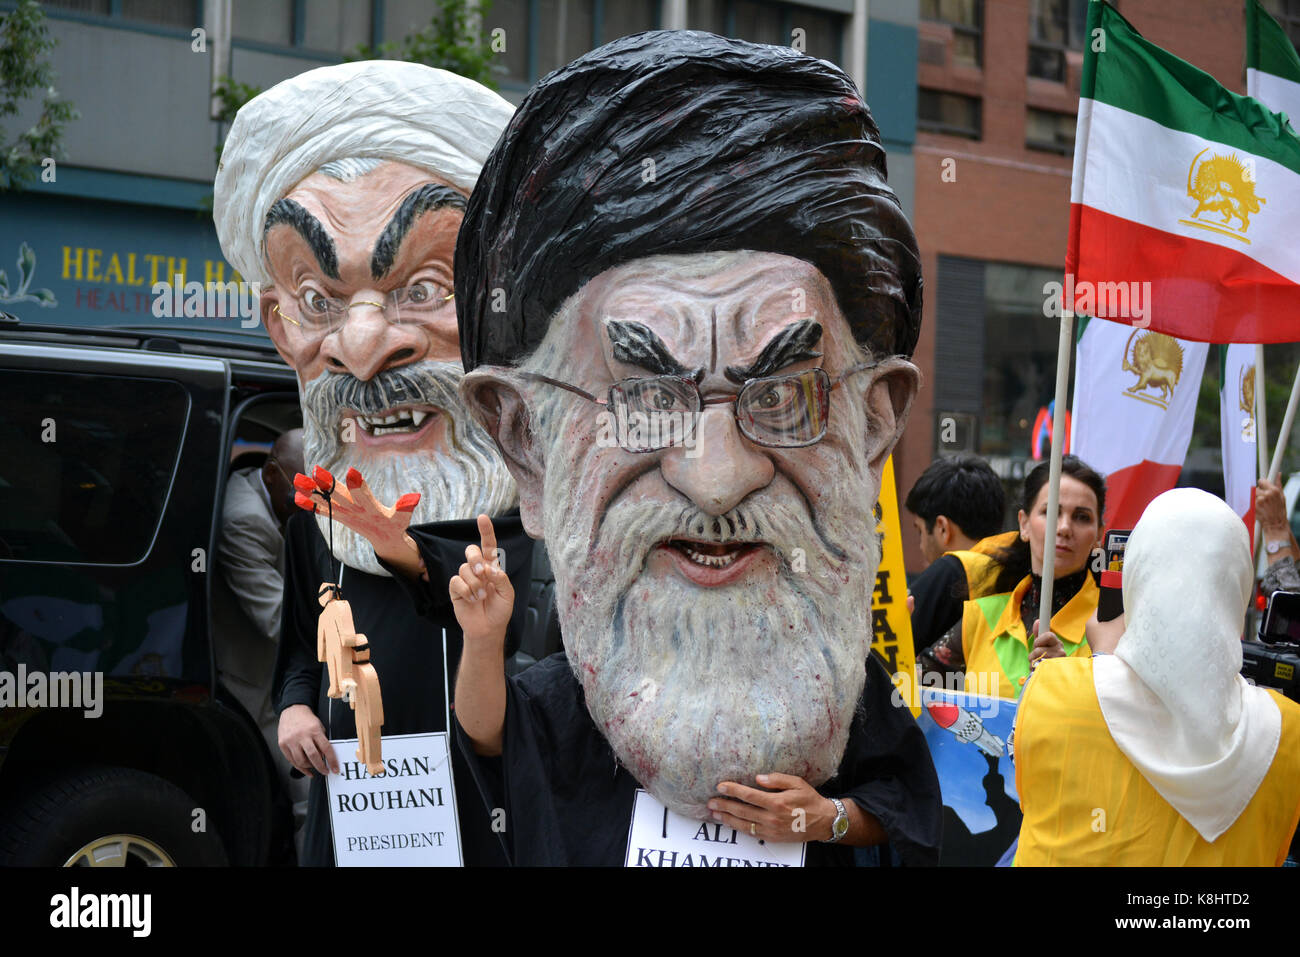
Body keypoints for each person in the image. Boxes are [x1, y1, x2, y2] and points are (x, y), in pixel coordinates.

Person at [444, 32, 942, 865]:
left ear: (873, 424)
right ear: (525, 439)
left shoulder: (856, 699)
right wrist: (485, 637)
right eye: (646, 399)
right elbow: (491, 739)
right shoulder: (560, 702)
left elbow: (900, 813)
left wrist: (819, 818)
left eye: (781, 396)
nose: (716, 478)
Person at [212, 61, 528, 866]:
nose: (361, 346)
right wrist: (292, 710)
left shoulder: (548, 518)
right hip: (358, 822)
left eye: (423, 287)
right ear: (280, 327)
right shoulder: (321, 515)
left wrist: (407, 552)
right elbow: (297, 648)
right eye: (318, 300)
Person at [1014, 488, 1300, 865]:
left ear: (1136, 576)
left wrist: (1101, 658)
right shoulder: (1287, 731)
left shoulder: (1052, 689)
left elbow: (1032, 800)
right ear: (1237, 586)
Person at [918, 454, 1106, 699]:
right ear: (1024, 524)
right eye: (1050, 512)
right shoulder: (981, 617)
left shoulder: (1112, 625)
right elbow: (909, 694)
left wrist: (1067, 683)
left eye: (1082, 517)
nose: (1064, 528)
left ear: (1098, 535)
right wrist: (895, 636)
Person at [212, 429, 305, 821]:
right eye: (300, 494)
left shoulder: (284, 497)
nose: (310, 506)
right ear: (270, 475)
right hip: (254, 673)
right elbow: (276, 618)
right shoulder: (244, 521)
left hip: (285, 662)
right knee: (310, 785)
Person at [904, 455, 1014, 653]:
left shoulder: (951, 570)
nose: (920, 546)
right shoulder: (1016, 569)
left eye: (920, 531)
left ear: (942, 528)